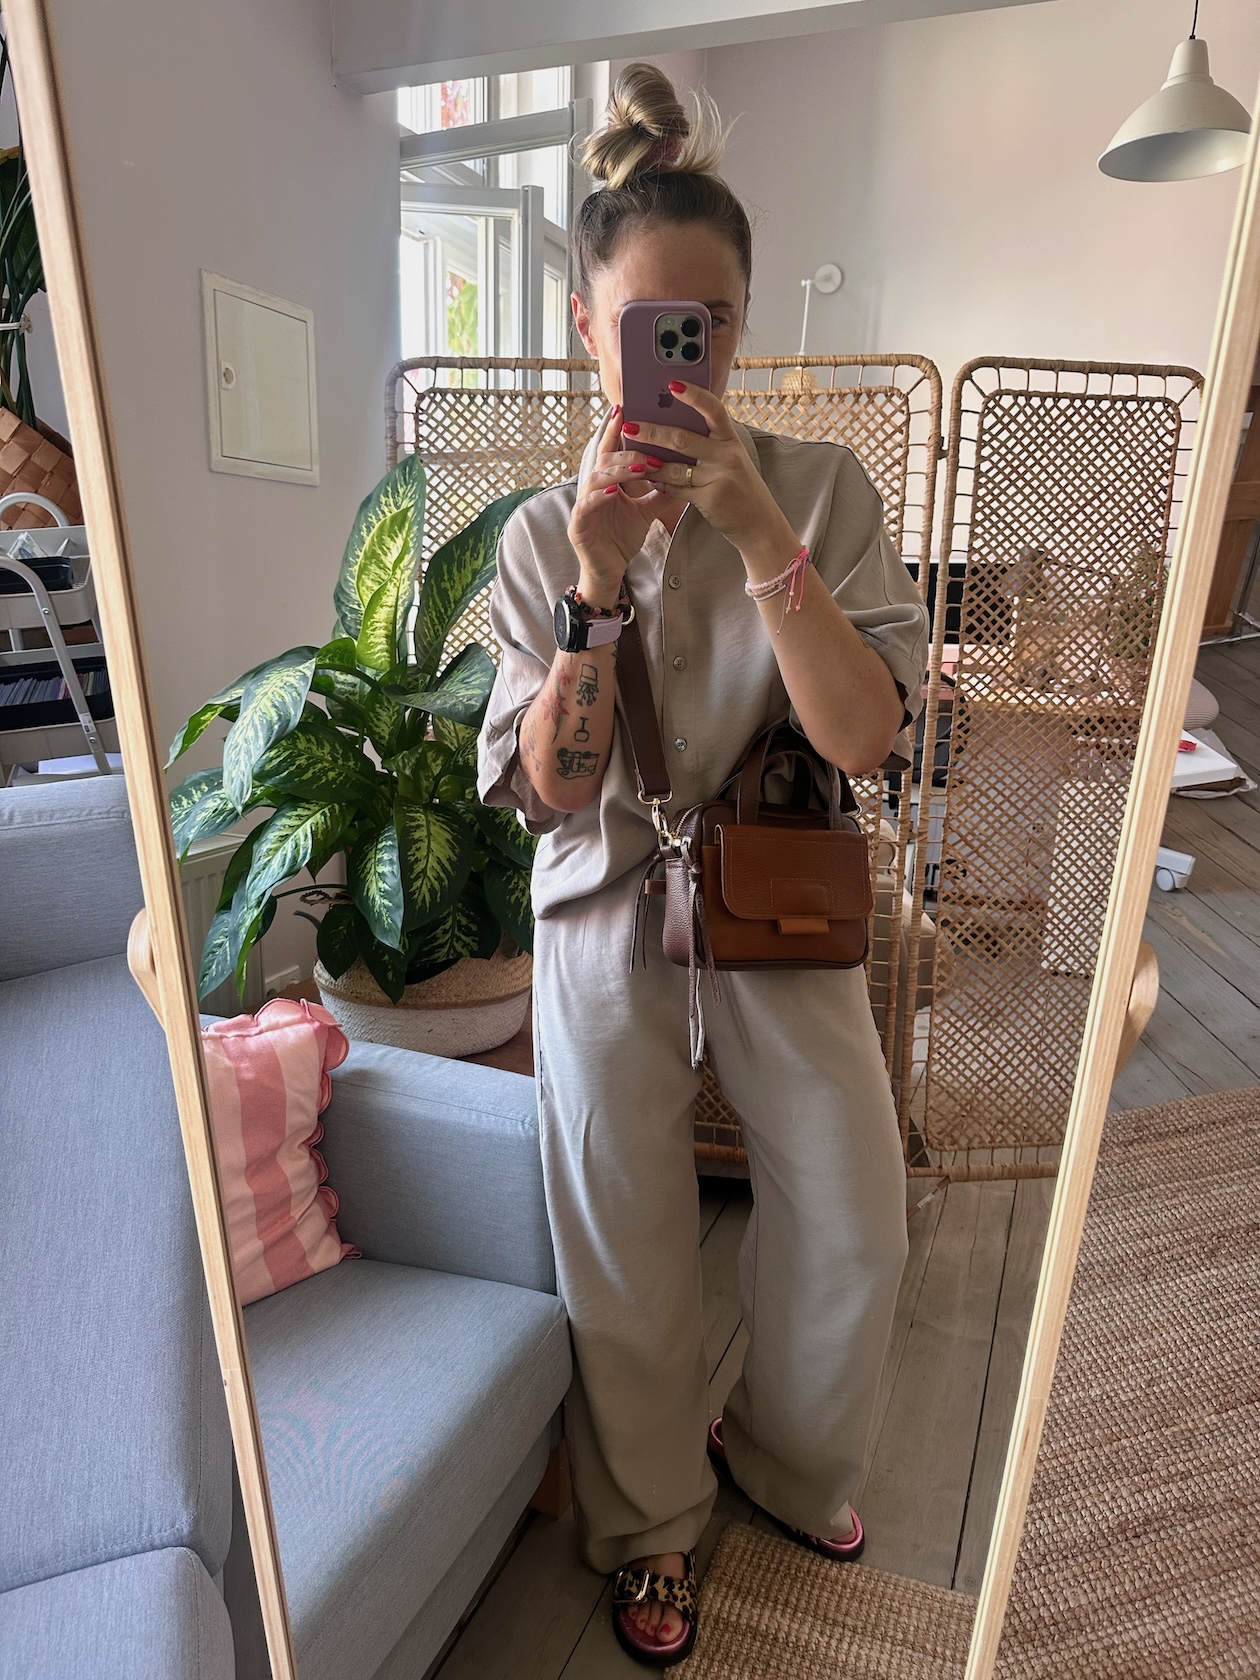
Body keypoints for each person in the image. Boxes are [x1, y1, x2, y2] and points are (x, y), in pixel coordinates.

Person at [477, 62, 929, 1668]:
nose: (685, 355)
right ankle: (650, 1517)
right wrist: (597, 588)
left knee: (857, 1212)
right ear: (587, 332)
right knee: (623, 1229)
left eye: (712, 323)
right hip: (604, 899)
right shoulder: (541, 533)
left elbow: (866, 738)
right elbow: (549, 793)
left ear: (743, 327)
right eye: (647, 326)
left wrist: (761, 544)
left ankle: (787, 1456)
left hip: (774, 894)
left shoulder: (819, 492)